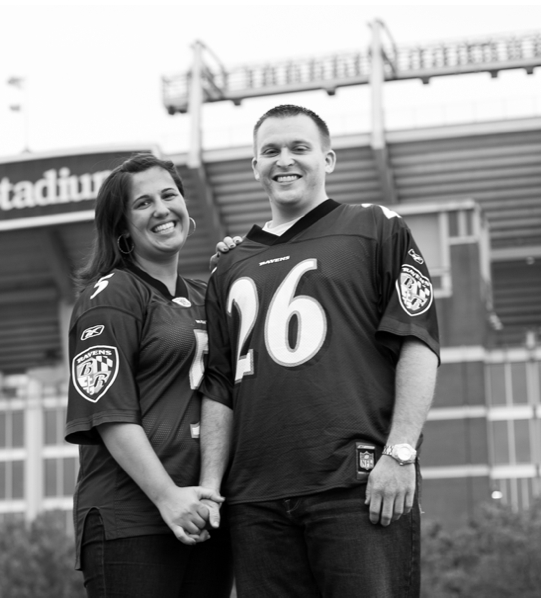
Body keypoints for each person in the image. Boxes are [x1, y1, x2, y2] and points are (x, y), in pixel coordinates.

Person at [199, 104, 440, 597]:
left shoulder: (376, 227)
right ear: (254, 167)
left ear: (328, 159)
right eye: (270, 151)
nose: (284, 160)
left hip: (357, 485)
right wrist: (211, 488)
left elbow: (418, 341)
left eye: (298, 148)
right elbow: (219, 387)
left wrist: (400, 454)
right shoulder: (228, 267)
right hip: (256, 500)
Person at [64, 153, 233, 597]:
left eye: (169, 195)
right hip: (133, 520)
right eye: (142, 203)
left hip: (204, 515)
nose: (161, 209)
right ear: (121, 228)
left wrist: (244, 260)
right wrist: (167, 497)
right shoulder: (113, 295)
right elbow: (109, 412)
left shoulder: (204, 294)